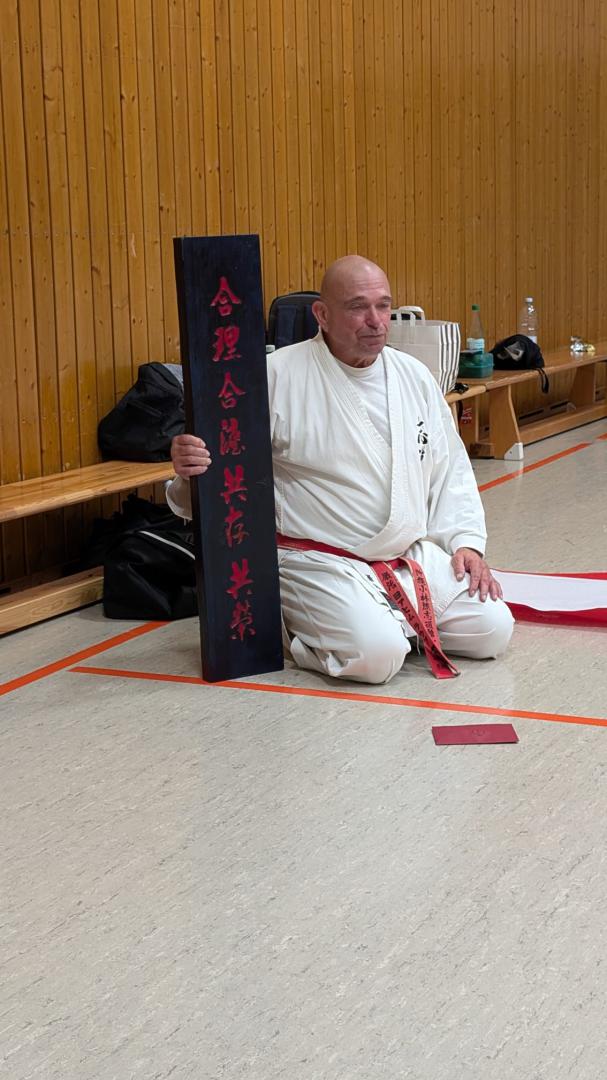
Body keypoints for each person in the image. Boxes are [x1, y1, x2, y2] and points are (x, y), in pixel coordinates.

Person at [167, 255, 514, 684]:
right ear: (322, 315)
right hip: (319, 562)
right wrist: (189, 470)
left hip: (405, 555)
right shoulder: (274, 377)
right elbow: (222, 482)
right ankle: (303, 630)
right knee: (377, 658)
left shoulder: (413, 376)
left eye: (383, 306)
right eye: (357, 307)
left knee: (493, 628)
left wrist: (466, 543)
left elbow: (450, 470)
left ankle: (384, 621)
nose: (375, 321)